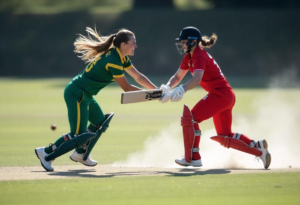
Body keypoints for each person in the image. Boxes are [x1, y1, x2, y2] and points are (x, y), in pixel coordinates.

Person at [35, 27, 157, 171]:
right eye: (133, 43)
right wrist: (155, 96)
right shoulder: (114, 60)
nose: (136, 46)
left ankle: (80, 154)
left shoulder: (121, 57)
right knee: (77, 134)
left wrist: (157, 90)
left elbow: (138, 76)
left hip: (85, 94)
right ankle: (47, 153)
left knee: (100, 122)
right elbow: (126, 87)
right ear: (123, 45)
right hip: (77, 93)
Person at [159, 26, 271, 169]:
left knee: (191, 118)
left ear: (193, 42)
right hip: (225, 95)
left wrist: (182, 89)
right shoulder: (189, 57)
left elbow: (197, 79)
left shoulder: (199, 55)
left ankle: (193, 158)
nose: (181, 44)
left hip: (220, 95)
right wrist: (168, 86)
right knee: (225, 136)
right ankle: (258, 148)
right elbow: (177, 76)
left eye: (184, 41)